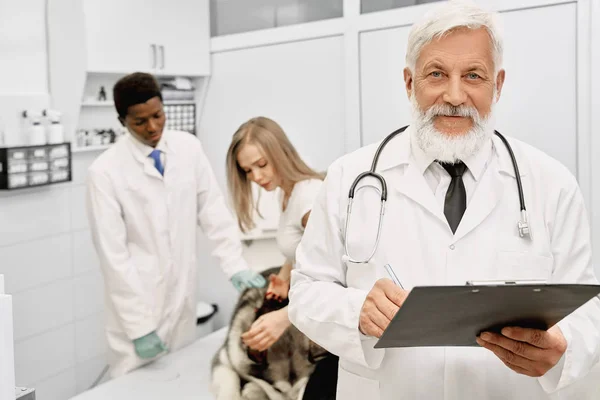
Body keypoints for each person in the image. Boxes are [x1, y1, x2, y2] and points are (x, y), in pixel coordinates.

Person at [288, 1, 600, 399]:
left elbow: (588, 309)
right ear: (409, 82)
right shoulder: (350, 177)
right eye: (436, 74)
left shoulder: (551, 183)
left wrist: (563, 346)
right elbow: (306, 291)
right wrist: (356, 313)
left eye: (473, 75)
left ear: (498, 84)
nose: (454, 95)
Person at [86, 72, 266, 378]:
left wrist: (235, 265)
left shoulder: (188, 148)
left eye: (157, 115)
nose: (153, 127)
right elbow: (113, 256)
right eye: (140, 122)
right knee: (135, 389)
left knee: (179, 380)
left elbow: (212, 210)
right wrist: (139, 327)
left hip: (182, 298)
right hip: (137, 308)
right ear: (122, 121)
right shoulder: (104, 172)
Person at [226, 116, 338, 399]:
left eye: (261, 165)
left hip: (334, 319)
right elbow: (306, 247)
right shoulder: (287, 194)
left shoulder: (308, 197)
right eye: (248, 170)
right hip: (317, 317)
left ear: (280, 152)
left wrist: (284, 317)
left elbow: (339, 272)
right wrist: (286, 275)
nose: (256, 177)